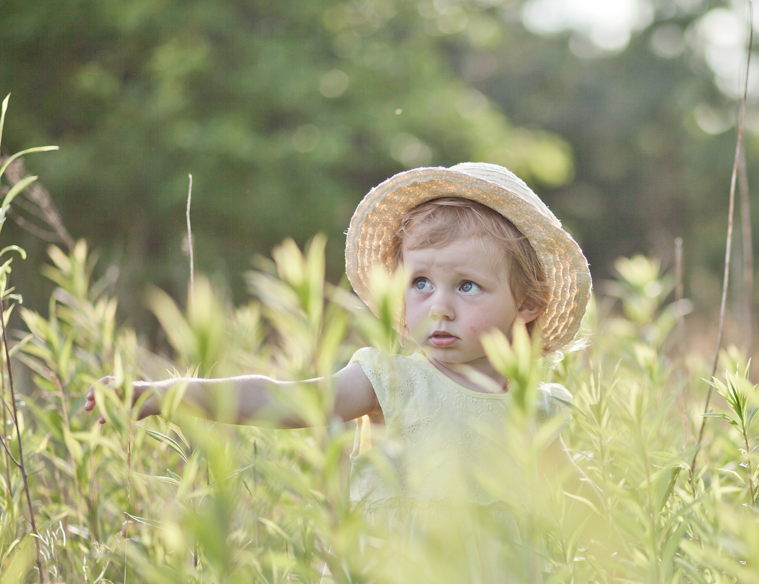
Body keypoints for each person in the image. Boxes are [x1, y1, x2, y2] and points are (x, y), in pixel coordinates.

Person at [84, 161, 592, 542]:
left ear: (526, 303)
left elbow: (580, 501)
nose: (438, 307)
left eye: (466, 287)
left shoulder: (534, 405)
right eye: (419, 283)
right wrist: (170, 393)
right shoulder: (391, 382)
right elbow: (286, 399)